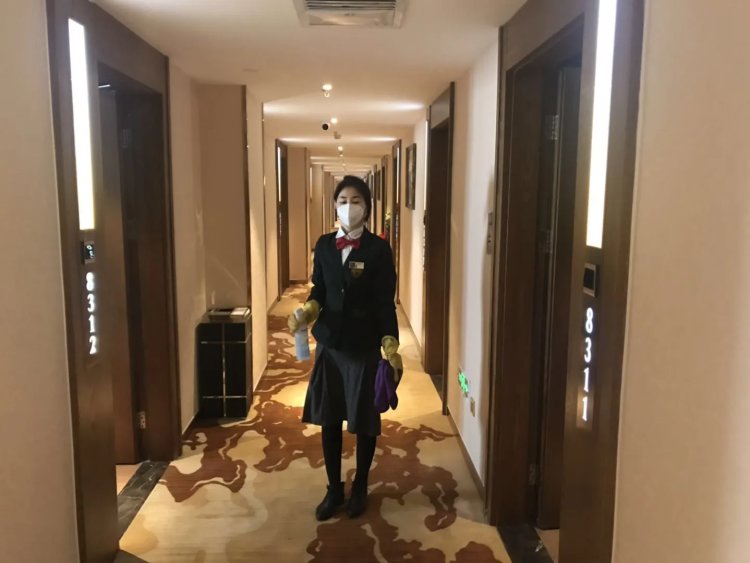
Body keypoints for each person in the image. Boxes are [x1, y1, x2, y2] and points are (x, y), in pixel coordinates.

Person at [288, 175, 403, 521]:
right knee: (329, 416)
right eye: (342, 201)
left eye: (355, 201)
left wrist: (390, 342)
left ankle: (361, 485)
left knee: (364, 420)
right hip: (331, 345)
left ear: (366, 208)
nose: (348, 207)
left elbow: (384, 302)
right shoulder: (324, 245)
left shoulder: (378, 250)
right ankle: (334, 488)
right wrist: (309, 310)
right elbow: (319, 289)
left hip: (363, 345)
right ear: (334, 206)